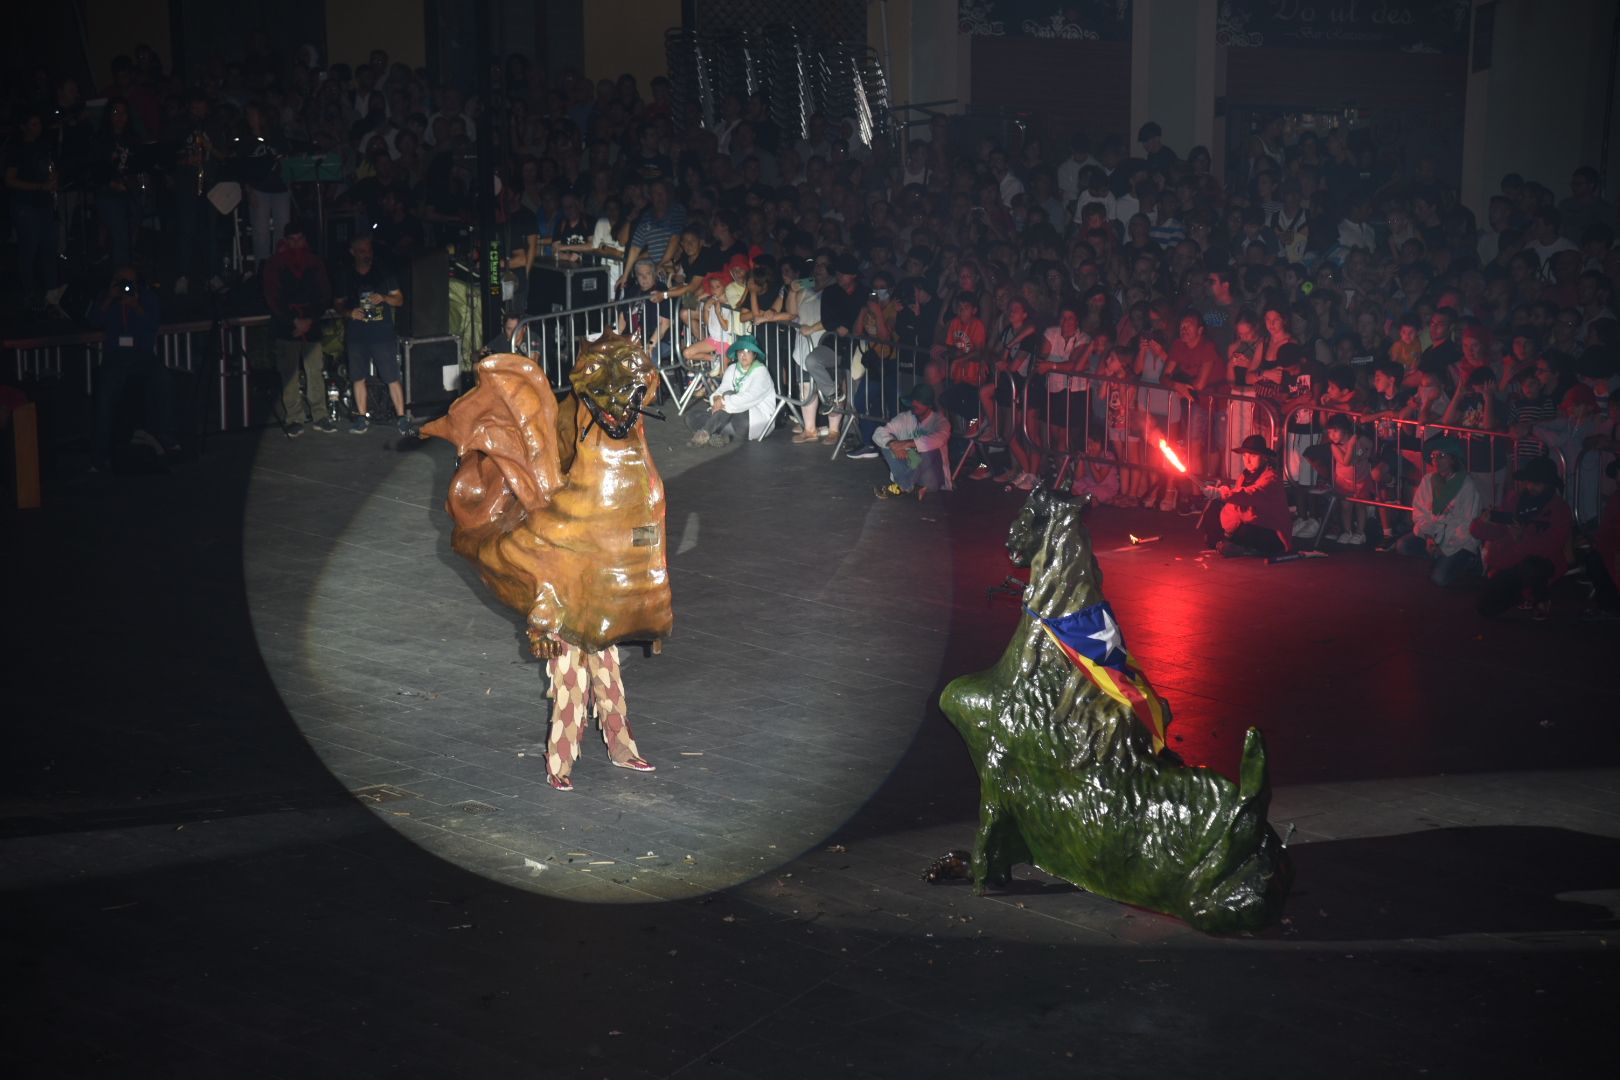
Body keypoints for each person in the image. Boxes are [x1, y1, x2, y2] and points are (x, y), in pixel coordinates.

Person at [89, 267, 174, 471]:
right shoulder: (107, 297)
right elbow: (93, 321)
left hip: (142, 355)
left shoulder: (147, 298)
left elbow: (154, 324)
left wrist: (137, 307)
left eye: (130, 282)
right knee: (105, 395)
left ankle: (166, 440)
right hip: (116, 357)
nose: (126, 287)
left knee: (163, 380)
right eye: (121, 281)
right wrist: (110, 299)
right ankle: (101, 456)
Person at [1470, 456, 1574, 620]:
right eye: (1529, 482)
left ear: (1548, 485)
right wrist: (1482, 523)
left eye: (1537, 483)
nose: (1530, 487)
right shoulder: (1516, 499)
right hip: (1512, 562)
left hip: (1541, 563)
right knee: (1485, 607)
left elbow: (1552, 547)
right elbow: (1496, 532)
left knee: (1532, 567)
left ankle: (1540, 598)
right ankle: (1523, 594)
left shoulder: (1559, 509)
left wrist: (1521, 538)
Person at [262, 221, 334, 434]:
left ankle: (320, 414)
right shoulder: (275, 264)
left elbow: (324, 293)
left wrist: (309, 320)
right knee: (289, 373)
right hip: (287, 325)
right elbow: (272, 296)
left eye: (299, 239)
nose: (296, 243)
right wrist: (293, 320)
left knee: (315, 371)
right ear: (286, 240)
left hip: (309, 324)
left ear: (304, 239)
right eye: (292, 239)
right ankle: (295, 416)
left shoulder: (315, 262)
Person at [334, 235, 408, 434]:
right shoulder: (346, 274)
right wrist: (350, 313)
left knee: (392, 375)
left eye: (369, 250)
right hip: (357, 334)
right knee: (357, 376)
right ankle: (361, 417)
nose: (367, 255)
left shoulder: (382, 271)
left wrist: (383, 297)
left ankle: (402, 417)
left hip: (381, 333)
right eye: (362, 251)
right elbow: (338, 303)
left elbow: (400, 299)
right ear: (353, 252)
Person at [1390, 435, 1484, 586]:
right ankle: (1439, 559)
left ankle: (1468, 560)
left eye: (1441, 456)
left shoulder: (1467, 485)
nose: (1436, 460)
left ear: (1453, 459)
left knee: (1439, 579)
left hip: (1458, 540)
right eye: (1433, 456)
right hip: (1434, 534)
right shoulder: (1428, 480)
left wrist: (1445, 548)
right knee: (1403, 545)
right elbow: (1420, 512)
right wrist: (1428, 536)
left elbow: (1468, 524)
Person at [1197, 435, 1291, 558]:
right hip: (1248, 524)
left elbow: (1251, 495)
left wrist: (1222, 493)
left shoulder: (1270, 478)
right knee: (1214, 511)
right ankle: (1229, 543)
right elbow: (1236, 506)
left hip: (1270, 531)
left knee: (1246, 531)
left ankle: (1240, 547)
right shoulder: (1244, 477)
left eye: (1253, 456)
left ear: (1264, 457)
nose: (1247, 460)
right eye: (1245, 456)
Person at [688, 334, 775, 446]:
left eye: (748, 351)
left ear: (754, 355)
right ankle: (722, 436)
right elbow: (724, 388)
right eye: (740, 351)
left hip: (753, 422)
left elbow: (749, 398)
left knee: (728, 395)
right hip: (730, 417)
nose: (743, 355)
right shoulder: (732, 368)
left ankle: (706, 432)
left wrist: (723, 401)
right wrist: (717, 398)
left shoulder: (761, 372)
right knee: (691, 417)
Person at [872, 380, 951, 500]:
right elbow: (878, 433)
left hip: (930, 477)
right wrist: (892, 443)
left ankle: (902, 486)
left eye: (919, 402)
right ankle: (911, 487)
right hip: (910, 467)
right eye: (914, 400)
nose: (914, 403)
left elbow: (939, 439)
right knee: (886, 444)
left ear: (929, 405)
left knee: (929, 449)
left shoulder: (940, 421)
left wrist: (907, 444)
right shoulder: (905, 417)